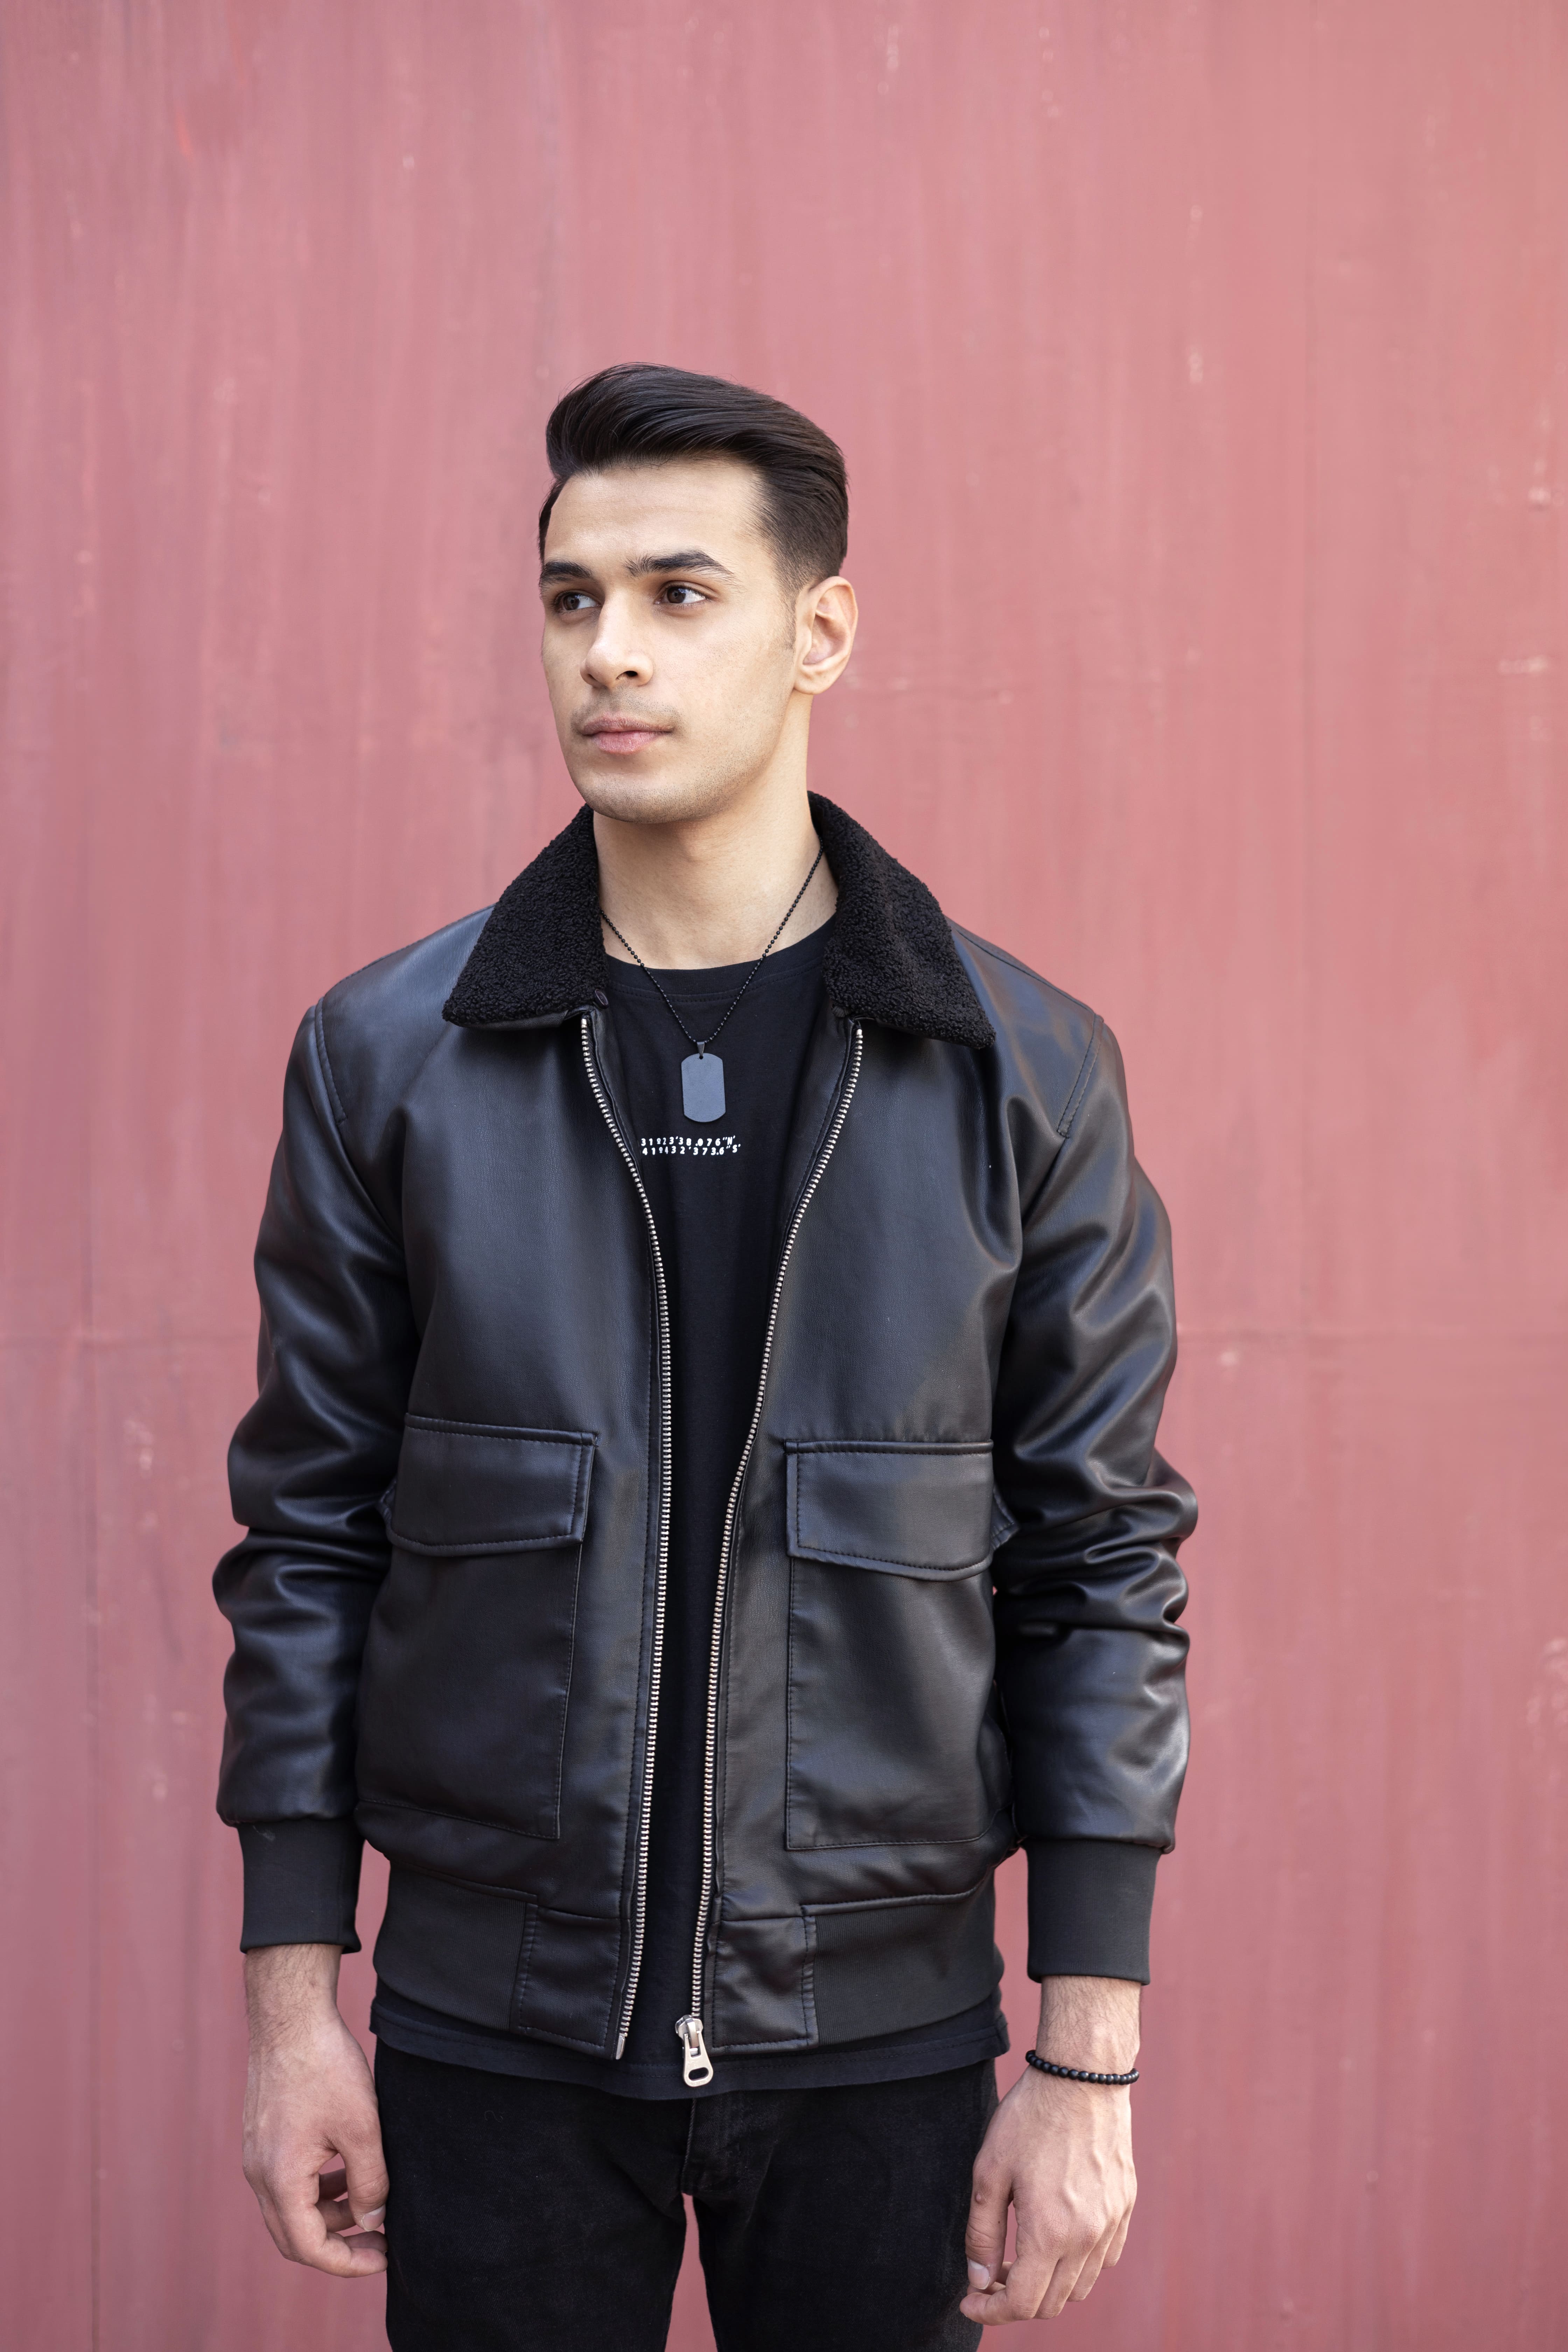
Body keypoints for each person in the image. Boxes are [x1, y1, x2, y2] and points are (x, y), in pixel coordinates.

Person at [216, 362, 1195, 2350]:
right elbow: (307, 1543)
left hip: (882, 2044)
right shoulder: (389, 1060)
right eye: (572, 599)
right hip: (491, 2040)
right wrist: (294, 2007)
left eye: (680, 594)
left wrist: (1086, 2059)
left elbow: (1103, 1564)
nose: (611, 652)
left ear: (820, 632)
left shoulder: (1021, 1071)